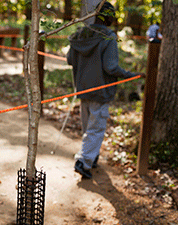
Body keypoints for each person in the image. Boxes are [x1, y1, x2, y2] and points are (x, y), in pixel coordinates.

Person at [66, 1, 143, 179]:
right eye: (112, 16)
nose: (113, 20)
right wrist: (130, 75)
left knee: (88, 127)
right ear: (107, 16)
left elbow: (70, 59)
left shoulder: (80, 34)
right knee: (96, 128)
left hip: (83, 89)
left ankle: (90, 158)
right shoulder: (108, 36)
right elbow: (111, 67)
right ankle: (83, 162)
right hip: (100, 91)